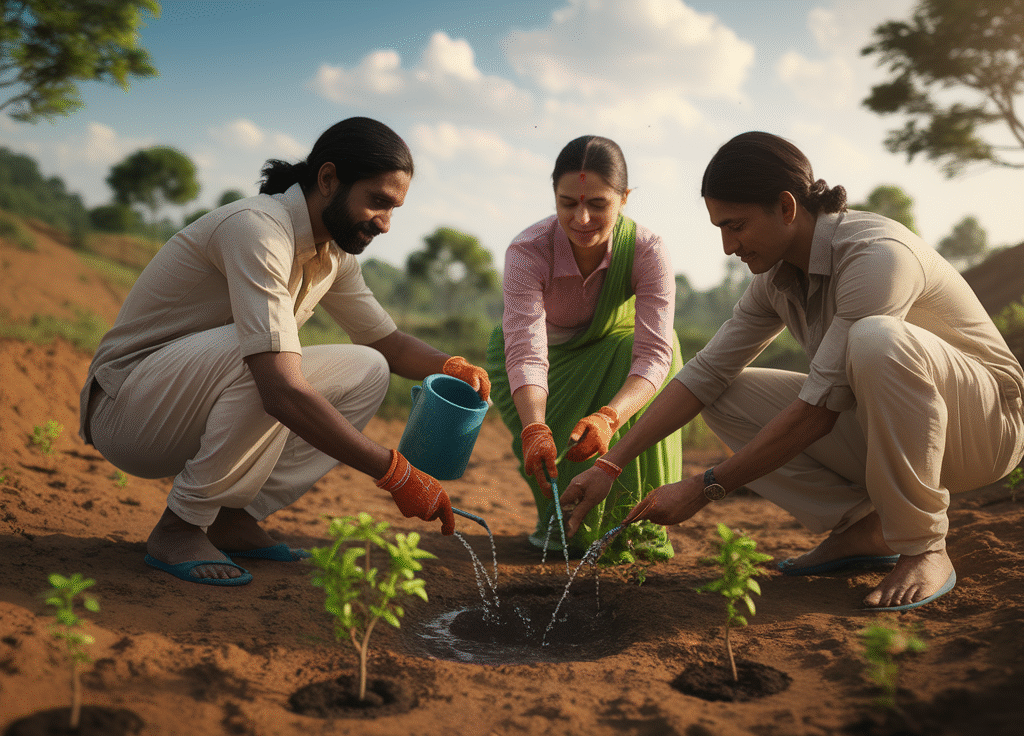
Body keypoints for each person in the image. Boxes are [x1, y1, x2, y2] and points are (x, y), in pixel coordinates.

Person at [562, 131, 1024, 610]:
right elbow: (705, 374)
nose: (727, 246)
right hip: (896, 427)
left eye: (736, 225)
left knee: (875, 338)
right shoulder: (776, 277)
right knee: (724, 393)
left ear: (786, 207)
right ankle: (865, 528)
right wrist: (611, 463)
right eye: (720, 227)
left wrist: (703, 488)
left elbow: (817, 412)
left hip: (985, 430)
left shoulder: (876, 256)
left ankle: (924, 545)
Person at [78, 117, 490, 586]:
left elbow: (387, 344)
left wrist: (452, 367)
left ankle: (233, 515)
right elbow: (278, 388)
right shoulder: (257, 229)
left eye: (394, 208)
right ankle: (181, 527)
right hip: (126, 410)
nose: (386, 224)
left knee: (368, 368)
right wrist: (395, 473)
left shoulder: (331, 253)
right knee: (264, 354)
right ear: (329, 179)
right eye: (377, 202)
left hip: (175, 404)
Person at [486, 135, 683, 561]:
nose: (582, 218)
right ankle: (563, 532)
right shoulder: (527, 250)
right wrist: (535, 426)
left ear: (625, 198)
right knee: (551, 457)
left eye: (598, 203)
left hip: (616, 354)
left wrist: (610, 417)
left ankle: (632, 531)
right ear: (553, 196)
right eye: (567, 203)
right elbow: (526, 352)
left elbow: (653, 353)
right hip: (534, 368)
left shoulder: (648, 252)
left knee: (661, 347)